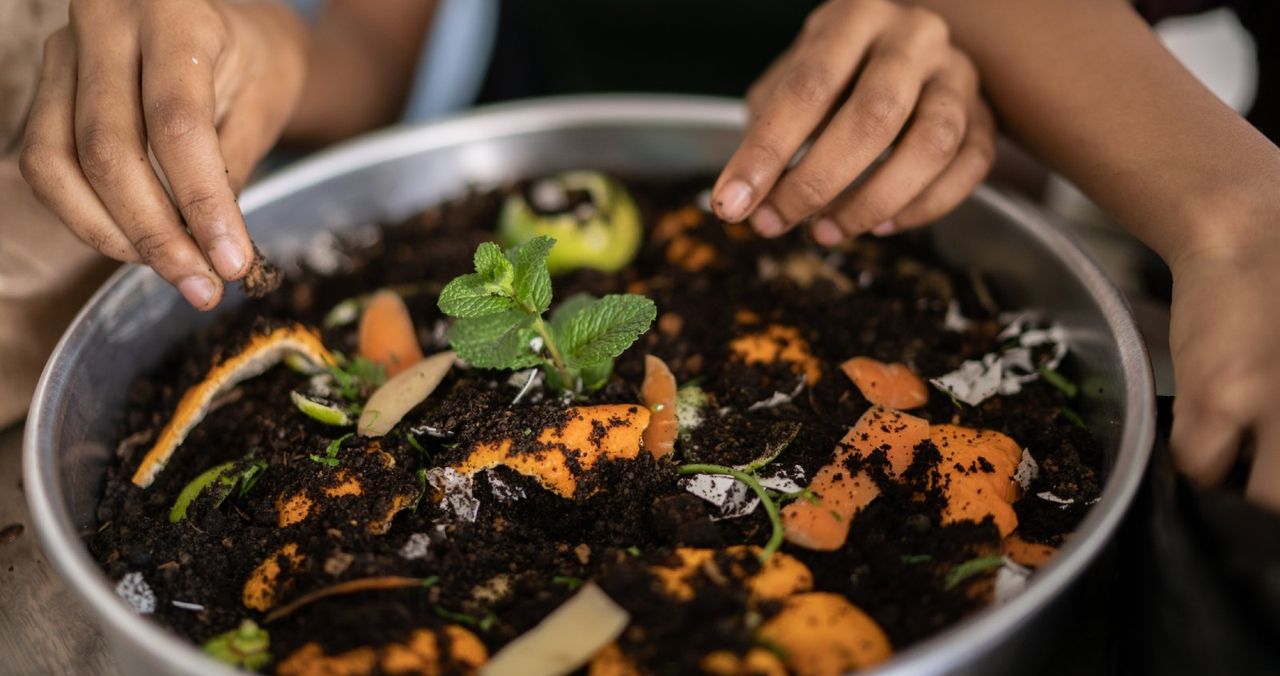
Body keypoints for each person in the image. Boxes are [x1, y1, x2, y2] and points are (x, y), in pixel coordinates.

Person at [10, 0, 1280, 514]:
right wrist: (254, 51)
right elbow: (370, 56)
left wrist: (1229, 216)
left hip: (1042, 150)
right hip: (558, 148)